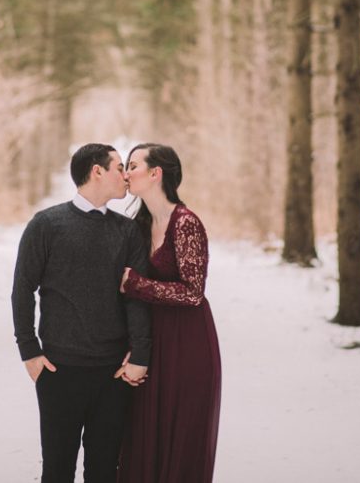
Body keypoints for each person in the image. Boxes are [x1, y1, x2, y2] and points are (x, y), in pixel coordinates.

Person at [12, 142, 152, 483]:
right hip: (59, 370)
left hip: (113, 373)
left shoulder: (128, 230)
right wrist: (29, 351)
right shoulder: (46, 224)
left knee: (104, 470)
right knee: (57, 469)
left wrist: (140, 354)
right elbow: (22, 289)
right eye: (120, 167)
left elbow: (136, 297)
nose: (126, 175)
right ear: (97, 171)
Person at [117, 143, 221, 483]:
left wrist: (136, 284)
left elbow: (193, 293)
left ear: (155, 173)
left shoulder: (186, 223)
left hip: (188, 342)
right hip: (152, 338)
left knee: (180, 430)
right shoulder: (139, 224)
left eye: (132, 165)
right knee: (145, 428)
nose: (126, 172)